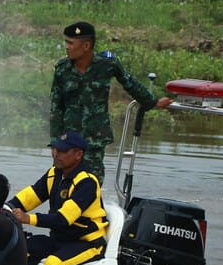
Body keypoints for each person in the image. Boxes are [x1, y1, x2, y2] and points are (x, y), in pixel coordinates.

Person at [50, 21, 171, 184]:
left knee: (91, 184)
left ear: (86, 46)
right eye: (66, 42)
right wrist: (55, 143)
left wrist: (152, 102)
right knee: (60, 183)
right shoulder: (62, 69)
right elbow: (56, 107)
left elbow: (130, 83)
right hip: (68, 140)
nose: (67, 47)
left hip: (94, 138)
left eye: (71, 43)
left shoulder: (107, 64)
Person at [8, 131, 108, 265]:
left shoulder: (87, 182)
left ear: (78, 154)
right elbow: (30, 197)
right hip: (59, 239)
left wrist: (28, 219)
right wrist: (3, 208)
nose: (56, 154)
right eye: (54, 149)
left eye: (62, 151)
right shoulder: (53, 174)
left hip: (86, 243)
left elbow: (63, 219)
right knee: (18, 249)